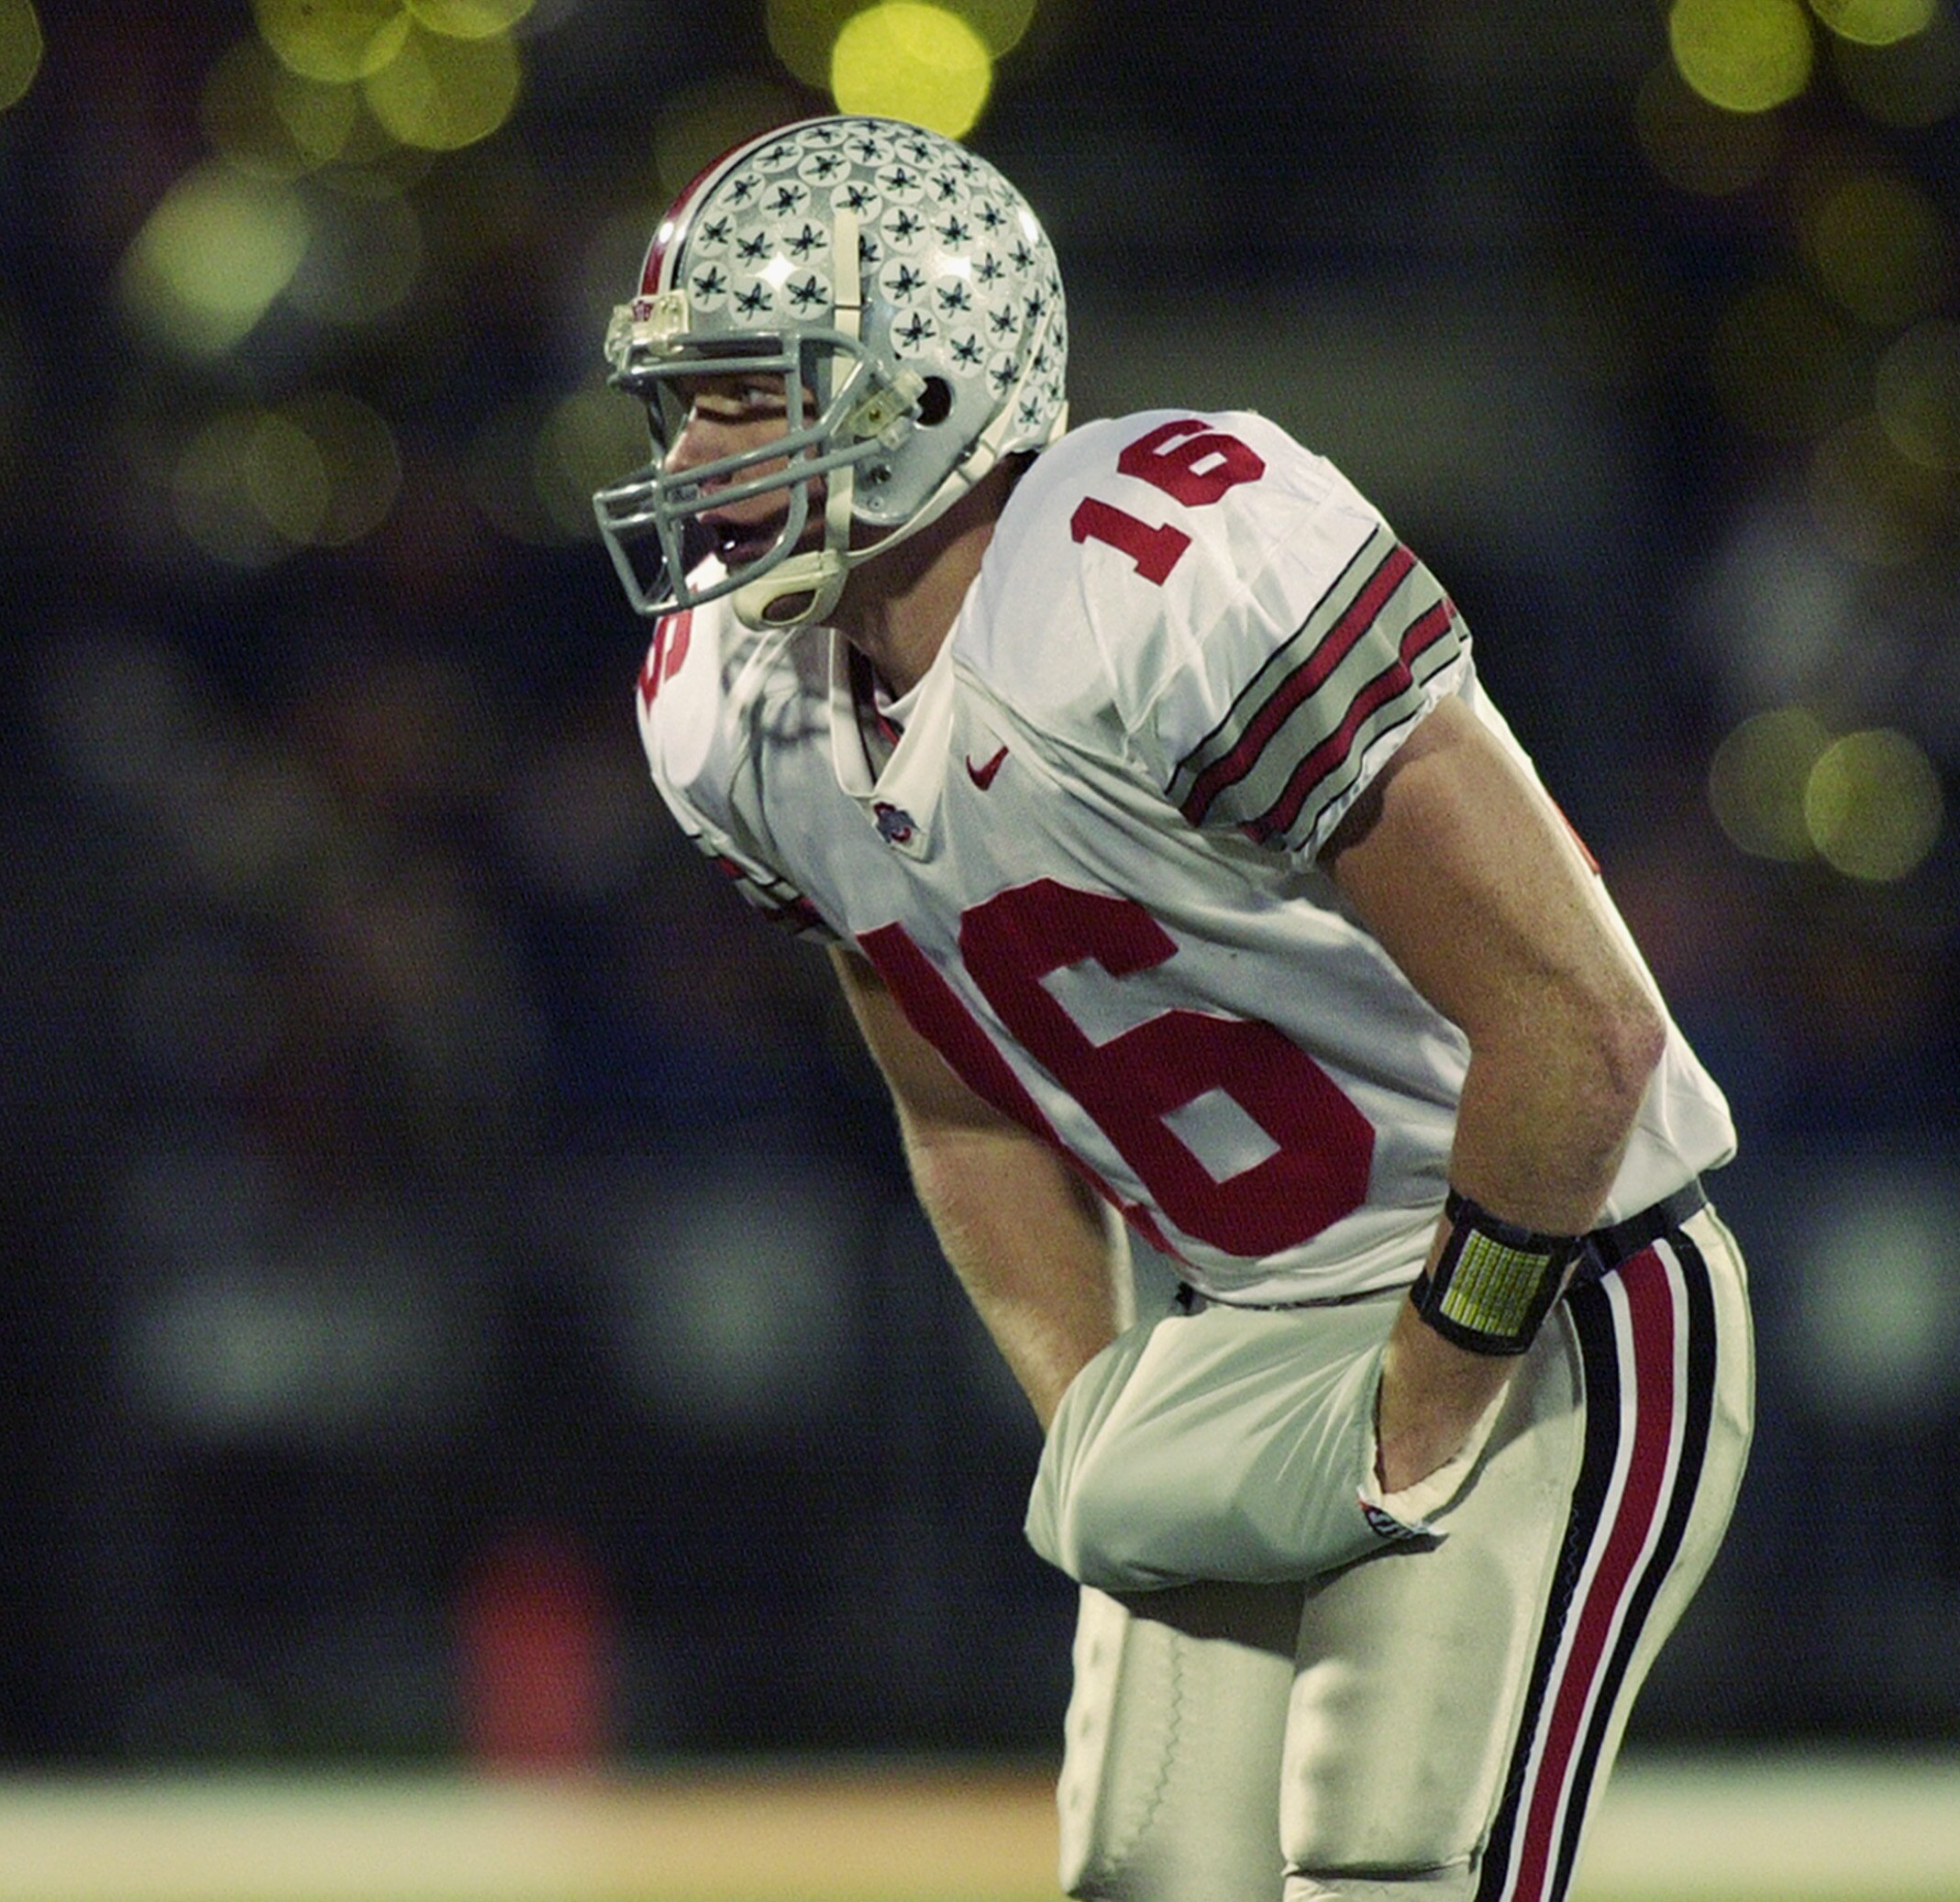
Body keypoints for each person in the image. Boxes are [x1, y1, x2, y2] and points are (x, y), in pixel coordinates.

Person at [599, 115, 1753, 1901]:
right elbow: (966, 1103)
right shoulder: (730, 708)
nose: (688, 453)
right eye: (680, 400)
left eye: (743, 393)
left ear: (920, 378)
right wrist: (1107, 1415)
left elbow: (1580, 1025)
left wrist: (1432, 1395)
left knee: (1393, 1856)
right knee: (1151, 1872)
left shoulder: (1160, 567)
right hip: (1251, 1321)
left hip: (1552, 1280)